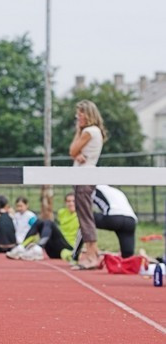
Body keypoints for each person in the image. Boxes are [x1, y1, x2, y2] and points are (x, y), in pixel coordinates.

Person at [69, 99, 107, 270]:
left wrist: (78, 131)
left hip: (84, 178)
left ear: (88, 114)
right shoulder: (94, 131)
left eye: (81, 113)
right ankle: (94, 253)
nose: (78, 117)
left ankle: (92, 256)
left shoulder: (88, 131)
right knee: (84, 215)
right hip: (85, 176)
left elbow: (72, 150)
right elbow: (76, 153)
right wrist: (77, 155)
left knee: (85, 216)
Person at [7, 192, 79, 261]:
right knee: (39, 222)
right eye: (68, 201)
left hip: (69, 248)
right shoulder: (61, 212)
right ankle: (21, 247)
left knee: (49, 222)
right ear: (65, 203)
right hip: (53, 251)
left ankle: (38, 247)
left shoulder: (80, 215)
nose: (71, 203)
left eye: (73, 201)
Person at [72, 185, 137, 260]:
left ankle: (75, 254)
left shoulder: (92, 189)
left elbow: (86, 209)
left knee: (85, 220)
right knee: (128, 257)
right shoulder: (115, 190)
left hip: (113, 217)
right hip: (131, 220)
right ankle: (128, 259)